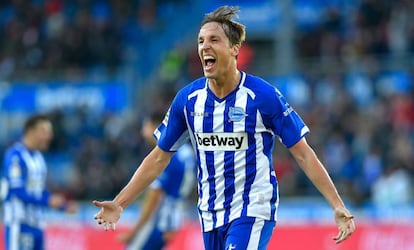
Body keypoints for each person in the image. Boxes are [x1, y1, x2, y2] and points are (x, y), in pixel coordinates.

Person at [93, 5, 355, 250]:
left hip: (252, 209)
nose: (205, 46)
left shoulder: (262, 96)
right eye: (200, 41)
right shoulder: (188, 100)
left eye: (214, 40)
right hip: (210, 214)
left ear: (234, 48)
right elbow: (159, 156)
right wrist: (120, 203)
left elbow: (303, 153)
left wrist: (337, 205)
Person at [116, 112, 196, 250]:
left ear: (156, 126)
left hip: (159, 220)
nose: (143, 132)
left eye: (145, 126)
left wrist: (134, 232)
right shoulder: (187, 151)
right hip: (175, 217)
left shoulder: (165, 155)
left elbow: (153, 199)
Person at [2, 114, 78, 250]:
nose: (49, 136)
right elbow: (17, 191)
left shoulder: (39, 158)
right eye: (44, 132)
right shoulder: (15, 156)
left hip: (37, 225)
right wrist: (47, 201)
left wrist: (63, 206)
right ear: (30, 131)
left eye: (49, 132)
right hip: (19, 224)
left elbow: (39, 191)